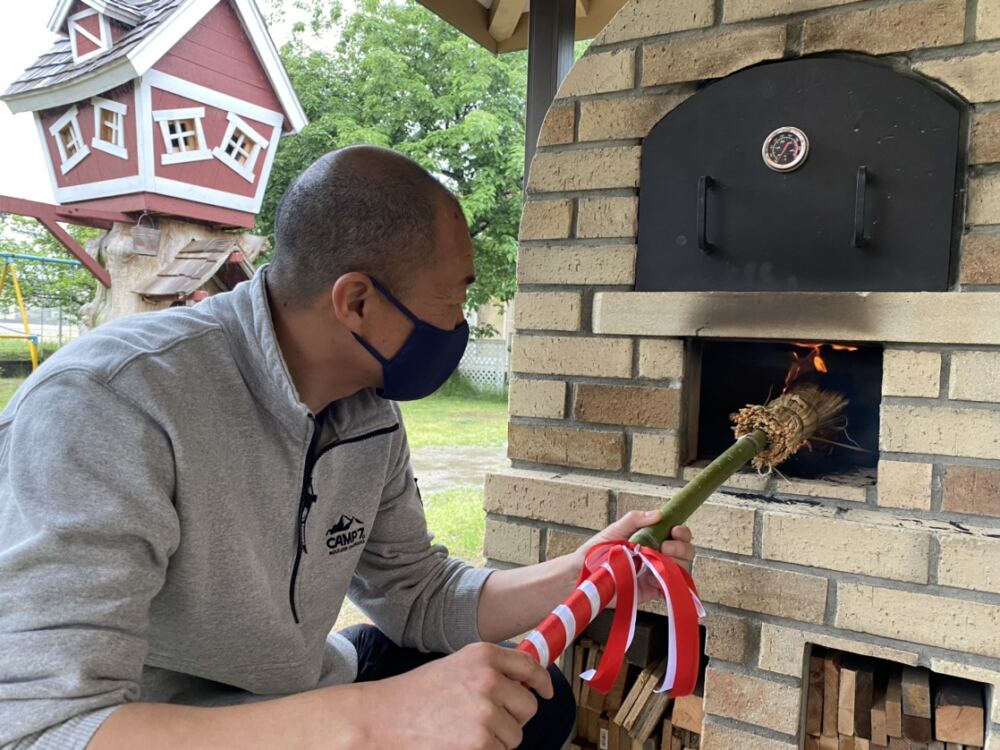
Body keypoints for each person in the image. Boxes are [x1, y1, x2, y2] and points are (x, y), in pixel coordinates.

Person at [0, 146, 694, 750]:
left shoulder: (367, 411)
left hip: (302, 690)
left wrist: (588, 571)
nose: (460, 323)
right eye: (455, 299)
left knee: (530, 704)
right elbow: (42, 729)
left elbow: (416, 594)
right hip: (190, 727)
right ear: (357, 302)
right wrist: (377, 722)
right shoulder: (111, 403)